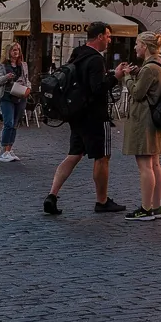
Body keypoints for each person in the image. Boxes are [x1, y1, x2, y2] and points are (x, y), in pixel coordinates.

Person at [44, 21, 127, 216]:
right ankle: (102, 201)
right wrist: (115, 77)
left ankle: (52, 194)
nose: (109, 40)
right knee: (102, 157)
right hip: (95, 116)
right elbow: (97, 88)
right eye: (108, 36)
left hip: (76, 113)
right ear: (99, 37)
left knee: (74, 154)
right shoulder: (96, 59)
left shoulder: (77, 53)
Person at [121, 31, 161, 220]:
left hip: (144, 119)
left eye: (137, 44)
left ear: (145, 46)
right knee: (155, 164)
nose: (135, 47)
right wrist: (136, 74)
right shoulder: (159, 64)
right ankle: (156, 206)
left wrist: (127, 76)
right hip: (154, 119)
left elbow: (137, 93)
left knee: (145, 166)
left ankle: (146, 208)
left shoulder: (149, 68)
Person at [0, 41, 30, 163]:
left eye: (18, 50)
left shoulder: (23, 65)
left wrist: (29, 88)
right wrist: (7, 77)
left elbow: (27, 79)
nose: (16, 52)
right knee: (8, 123)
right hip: (6, 96)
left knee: (15, 124)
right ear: (8, 52)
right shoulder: (2, 65)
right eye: (14, 50)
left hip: (20, 95)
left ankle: (9, 150)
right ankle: (3, 152)